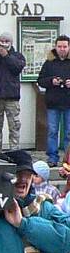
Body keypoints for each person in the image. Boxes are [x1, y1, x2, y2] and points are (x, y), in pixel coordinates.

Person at [0, 31, 26, 152]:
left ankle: (14, 149)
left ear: (11, 43)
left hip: (12, 97)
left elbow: (17, 68)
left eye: (6, 41)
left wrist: (6, 55)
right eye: (2, 41)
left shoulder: (18, 56)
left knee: (14, 125)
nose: (4, 43)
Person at [37, 35, 70, 166]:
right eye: (60, 46)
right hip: (53, 103)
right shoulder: (49, 63)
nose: (62, 49)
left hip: (69, 103)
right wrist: (51, 81)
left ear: (69, 47)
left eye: (65, 46)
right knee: (52, 131)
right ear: (56, 47)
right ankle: (52, 157)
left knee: (69, 133)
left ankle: (68, 159)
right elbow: (40, 80)